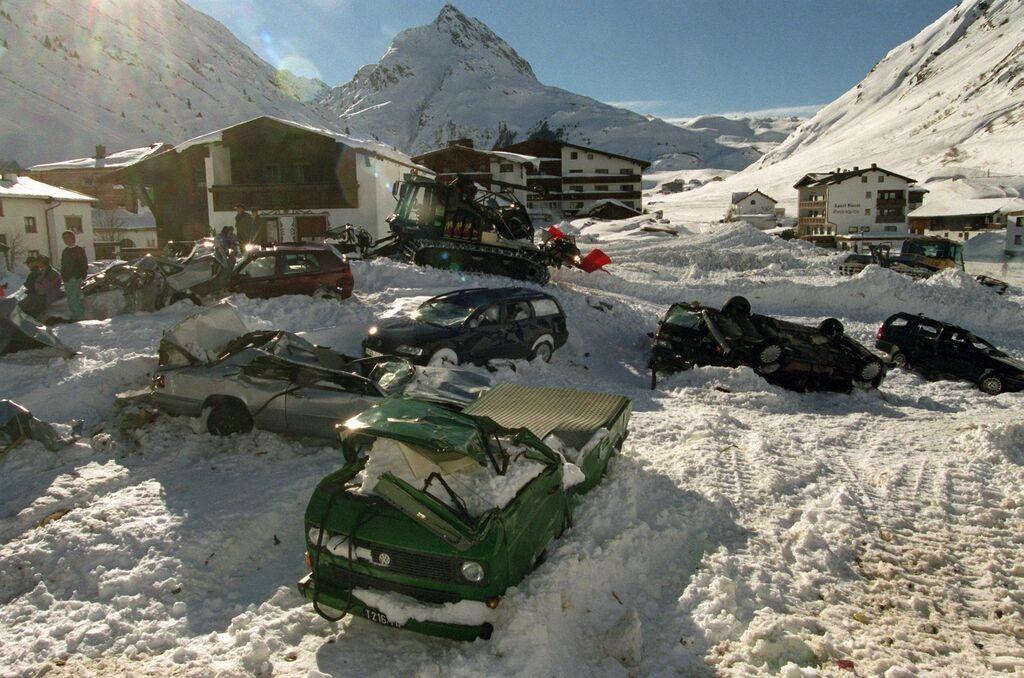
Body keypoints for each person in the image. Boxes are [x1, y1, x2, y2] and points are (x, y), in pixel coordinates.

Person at [60, 230, 88, 322]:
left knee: (75, 298)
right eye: (63, 238)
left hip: (75, 277)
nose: (65, 240)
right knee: (70, 298)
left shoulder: (79, 250)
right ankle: (75, 315)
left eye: (67, 237)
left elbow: (84, 264)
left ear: (72, 238)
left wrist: (80, 275)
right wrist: (64, 276)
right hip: (67, 279)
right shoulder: (65, 251)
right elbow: (63, 265)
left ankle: (79, 317)